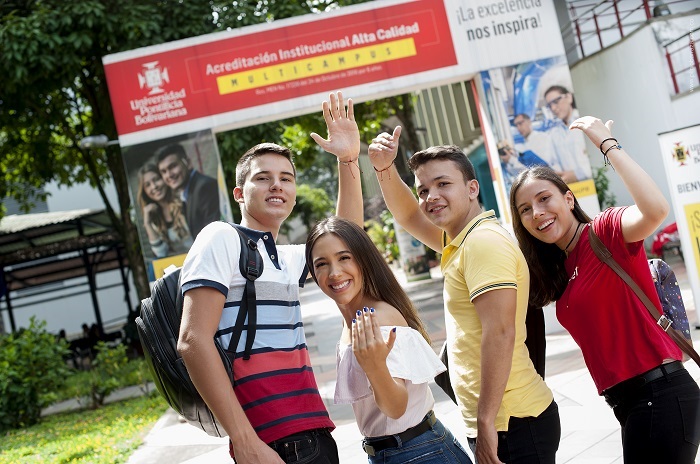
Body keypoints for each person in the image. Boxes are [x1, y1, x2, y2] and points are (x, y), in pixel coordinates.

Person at [177, 92, 363, 464]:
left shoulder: (288, 257)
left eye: (286, 179)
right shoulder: (221, 237)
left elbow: (348, 238)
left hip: (314, 433)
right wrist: (244, 441)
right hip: (271, 444)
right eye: (263, 178)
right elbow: (192, 340)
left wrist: (347, 160)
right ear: (239, 194)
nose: (277, 185)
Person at [510, 116, 700, 463]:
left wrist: (607, 145)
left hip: (660, 393)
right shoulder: (556, 270)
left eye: (544, 198)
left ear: (568, 199)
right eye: (525, 209)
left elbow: (656, 210)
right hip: (629, 403)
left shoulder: (605, 232)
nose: (537, 213)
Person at [368, 128, 559, 463]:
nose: (431, 196)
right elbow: (409, 216)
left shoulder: (482, 243)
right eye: (423, 189)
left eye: (443, 184)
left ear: (473, 188)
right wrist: (385, 168)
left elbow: (500, 333)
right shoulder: (462, 240)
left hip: (511, 422)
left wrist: (486, 423)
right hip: (501, 421)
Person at [306, 216, 472, 463]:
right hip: (394, 452)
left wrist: (375, 367)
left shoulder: (378, 318)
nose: (334, 272)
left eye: (344, 258)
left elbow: (396, 408)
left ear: (363, 259)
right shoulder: (352, 318)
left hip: (419, 453)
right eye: (321, 264)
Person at [156, 142, 221, 238]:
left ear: (188, 163)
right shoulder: (188, 192)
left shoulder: (203, 187)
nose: (169, 175)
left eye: (173, 166)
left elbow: (215, 234)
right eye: (164, 172)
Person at [137, 162, 193, 258]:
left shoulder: (183, 200)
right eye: (148, 185)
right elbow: (161, 253)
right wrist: (147, 224)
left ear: (164, 178)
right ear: (144, 191)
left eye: (156, 179)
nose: (154, 186)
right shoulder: (154, 217)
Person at [543, 86, 592, 183]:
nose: (553, 108)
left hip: (595, 182)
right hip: (574, 187)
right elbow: (554, 162)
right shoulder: (554, 133)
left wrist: (578, 174)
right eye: (549, 105)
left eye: (556, 101)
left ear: (569, 97)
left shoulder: (586, 120)